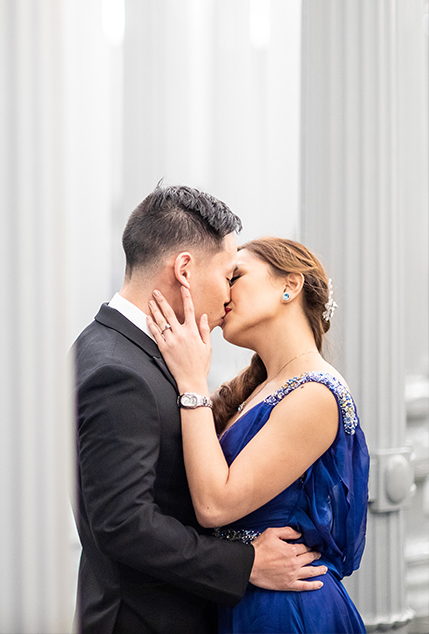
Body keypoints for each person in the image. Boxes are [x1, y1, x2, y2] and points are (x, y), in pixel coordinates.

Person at [72, 185, 327, 634]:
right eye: (228, 274)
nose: (229, 294)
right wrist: (245, 564)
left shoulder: (117, 347)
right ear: (184, 269)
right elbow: (123, 523)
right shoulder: (119, 370)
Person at [145, 236, 369, 633]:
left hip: (287, 608)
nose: (224, 290)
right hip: (244, 596)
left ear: (290, 285)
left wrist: (192, 379)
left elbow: (215, 505)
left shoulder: (315, 393)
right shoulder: (254, 388)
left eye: (236, 275)